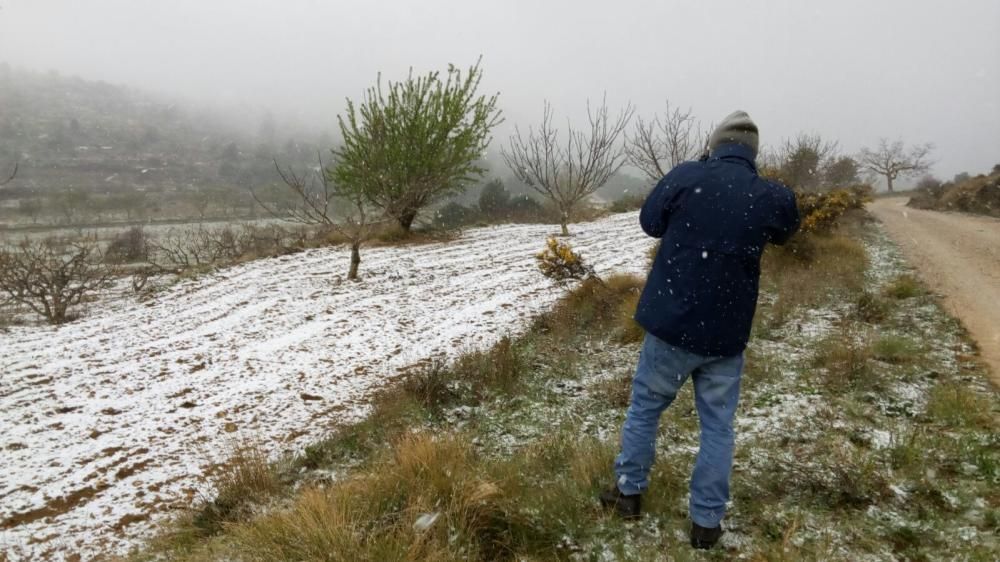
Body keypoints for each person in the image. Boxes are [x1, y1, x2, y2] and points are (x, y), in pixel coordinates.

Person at [599, 111, 800, 549]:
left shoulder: (688, 176)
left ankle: (628, 494)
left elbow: (650, 222)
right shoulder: (770, 194)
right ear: (752, 153)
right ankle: (706, 524)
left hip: (670, 326)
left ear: (714, 144)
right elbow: (786, 230)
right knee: (718, 427)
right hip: (725, 337)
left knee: (645, 410)